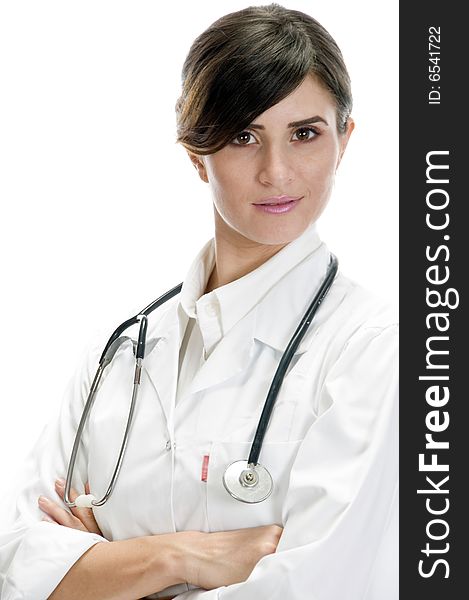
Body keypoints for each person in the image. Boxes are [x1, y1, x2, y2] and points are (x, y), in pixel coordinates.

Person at [0, 3, 398, 599]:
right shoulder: (122, 351)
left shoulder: (376, 349)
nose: (277, 171)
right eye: (244, 135)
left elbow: (323, 586)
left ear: (345, 140)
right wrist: (178, 558)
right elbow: (13, 563)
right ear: (196, 153)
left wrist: (104, 568)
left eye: (305, 133)